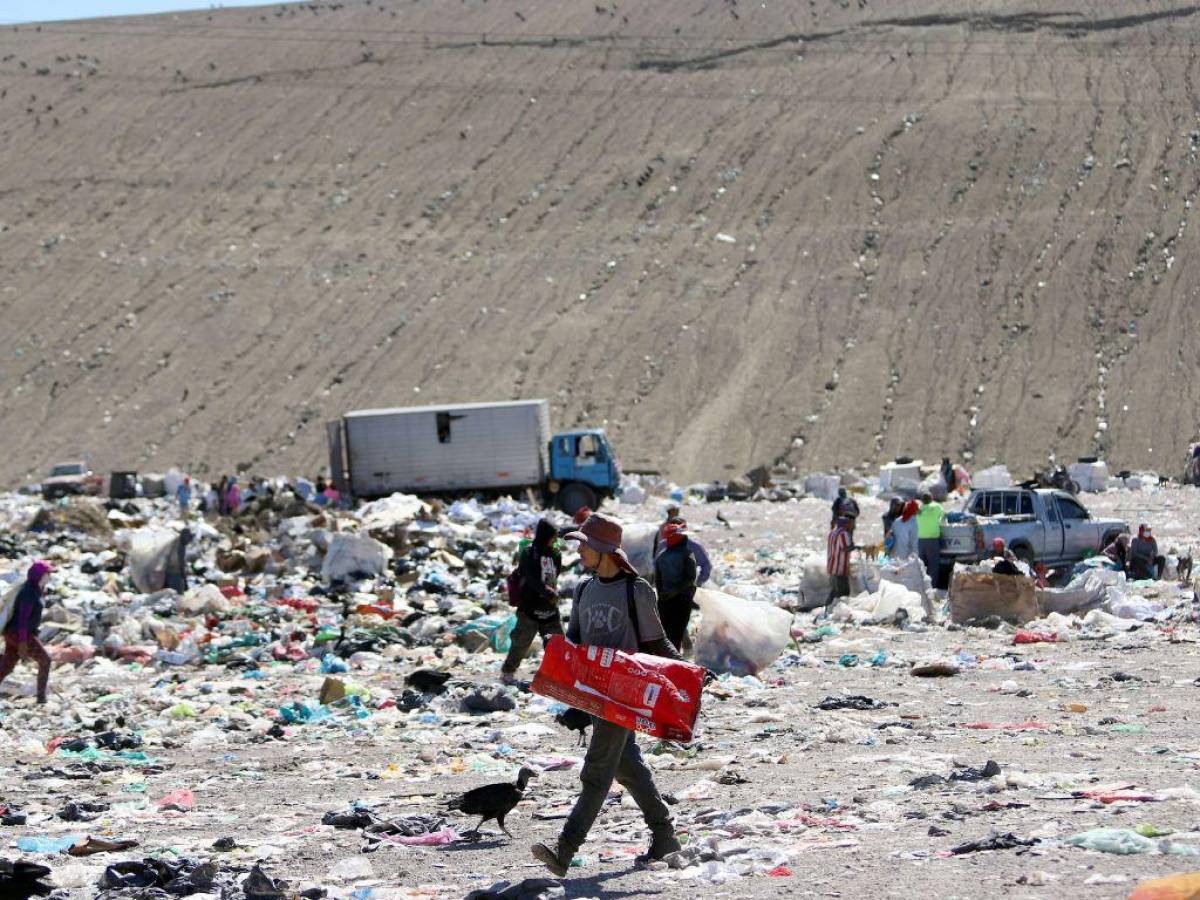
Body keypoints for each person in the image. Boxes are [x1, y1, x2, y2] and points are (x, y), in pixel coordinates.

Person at [533, 513, 682, 876]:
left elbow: (656, 641)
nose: (579, 552)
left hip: (624, 695)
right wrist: (568, 694)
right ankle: (665, 837)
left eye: (584, 545)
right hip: (595, 695)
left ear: (603, 550)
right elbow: (577, 643)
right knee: (628, 768)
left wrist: (687, 673)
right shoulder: (584, 589)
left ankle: (564, 849)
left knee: (596, 773)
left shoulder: (636, 591)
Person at [500, 519, 564, 684]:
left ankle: (558, 675)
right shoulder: (529, 554)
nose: (555, 540)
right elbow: (530, 577)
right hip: (529, 608)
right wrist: (546, 591)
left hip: (549, 608)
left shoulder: (555, 554)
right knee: (521, 642)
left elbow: (555, 576)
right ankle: (508, 671)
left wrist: (551, 593)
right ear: (544, 536)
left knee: (557, 644)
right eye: (552, 537)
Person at [0, 561, 53, 704]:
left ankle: (41, 698)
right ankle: (41, 699)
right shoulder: (29, 592)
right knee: (45, 660)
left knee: (7, 665)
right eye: (48, 573)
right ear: (40, 575)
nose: (49, 576)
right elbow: (23, 618)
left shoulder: (34, 589)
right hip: (20, 634)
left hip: (12, 633)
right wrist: (23, 642)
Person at [653, 523, 699, 649]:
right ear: (681, 539)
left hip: (664, 602)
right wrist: (675, 592)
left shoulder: (661, 557)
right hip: (682, 602)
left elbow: (658, 582)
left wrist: (664, 597)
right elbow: (690, 579)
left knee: (667, 637)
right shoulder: (687, 554)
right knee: (677, 637)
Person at [916, 492, 945, 587]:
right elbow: (943, 516)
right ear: (932, 498)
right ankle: (932, 586)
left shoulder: (918, 509)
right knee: (933, 564)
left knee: (921, 564)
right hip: (933, 540)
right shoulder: (936, 506)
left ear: (922, 500)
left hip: (921, 541)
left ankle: (922, 585)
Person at [826, 516, 854, 609]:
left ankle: (828, 608)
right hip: (840, 568)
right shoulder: (843, 533)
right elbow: (845, 548)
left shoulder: (832, 533)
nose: (851, 525)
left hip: (831, 566)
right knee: (843, 593)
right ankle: (840, 611)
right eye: (849, 523)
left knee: (834, 591)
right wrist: (855, 547)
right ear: (845, 524)